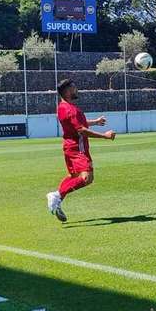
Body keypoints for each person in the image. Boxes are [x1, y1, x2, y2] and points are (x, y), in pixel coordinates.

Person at [46, 79, 116, 222]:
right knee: (87, 178)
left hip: (70, 146)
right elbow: (81, 130)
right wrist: (105, 136)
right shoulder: (70, 109)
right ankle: (57, 195)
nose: (76, 89)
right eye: (73, 88)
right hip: (78, 148)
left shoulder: (63, 107)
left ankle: (57, 199)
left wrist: (95, 122)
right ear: (67, 91)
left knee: (74, 176)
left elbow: (78, 124)